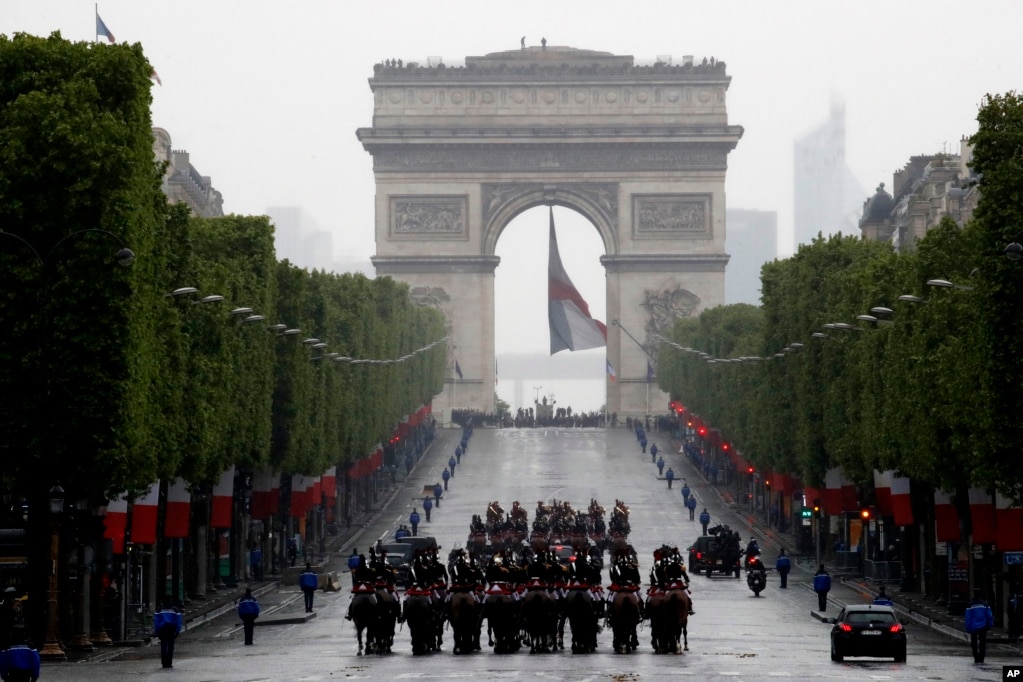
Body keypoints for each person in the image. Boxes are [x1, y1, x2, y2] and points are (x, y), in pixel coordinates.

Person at [964, 589, 995, 663]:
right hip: (983, 626)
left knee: (974, 643)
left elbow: (968, 617)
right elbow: (989, 616)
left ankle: (976, 657)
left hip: (973, 627)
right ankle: (981, 658)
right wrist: (990, 625)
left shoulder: (970, 605)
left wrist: (968, 627)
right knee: (983, 642)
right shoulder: (985, 604)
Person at [153, 601, 183, 668]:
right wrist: (177, 631)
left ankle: (164, 663)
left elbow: (156, 621)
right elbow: (179, 621)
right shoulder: (175, 610)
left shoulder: (159, 610)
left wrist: (157, 631)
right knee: (170, 647)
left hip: (162, 629)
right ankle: (169, 663)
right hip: (171, 629)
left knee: (163, 646)